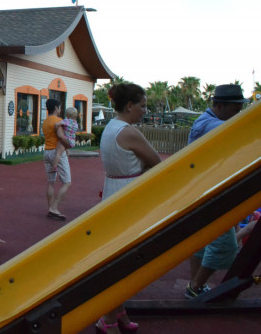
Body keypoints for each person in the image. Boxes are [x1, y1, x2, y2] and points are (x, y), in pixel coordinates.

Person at [96, 83, 161, 334]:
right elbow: (156, 161)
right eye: (142, 106)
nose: (145, 111)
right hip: (128, 197)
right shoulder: (129, 132)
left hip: (113, 190)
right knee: (125, 262)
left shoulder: (110, 128)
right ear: (129, 105)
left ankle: (119, 311)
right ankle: (108, 318)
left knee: (118, 257)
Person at [184, 84, 249, 299]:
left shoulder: (209, 121)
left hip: (203, 189)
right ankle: (196, 286)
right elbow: (240, 130)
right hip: (208, 192)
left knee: (201, 241)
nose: (238, 114)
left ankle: (194, 287)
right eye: (235, 109)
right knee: (225, 244)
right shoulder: (209, 124)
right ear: (219, 106)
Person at [43, 98, 73, 221]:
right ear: (56, 108)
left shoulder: (45, 122)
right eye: (59, 107)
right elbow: (61, 135)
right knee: (67, 182)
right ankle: (54, 208)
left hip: (47, 152)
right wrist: (69, 144)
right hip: (57, 153)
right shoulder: (58, 121)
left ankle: (50, 208)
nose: (60, 109)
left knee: (51, 182)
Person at [51, 106, 79, 171]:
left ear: (67, 115)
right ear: (76, 115)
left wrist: (56, 128)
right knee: (66, 150)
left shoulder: (66, 121)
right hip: (72, 142)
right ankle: (66, 159)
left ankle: (54, 166)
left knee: (58, 152)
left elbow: (56, 124)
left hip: (65, 140)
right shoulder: (76, 123)